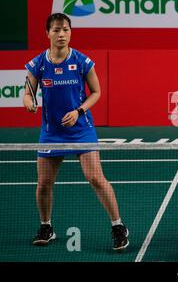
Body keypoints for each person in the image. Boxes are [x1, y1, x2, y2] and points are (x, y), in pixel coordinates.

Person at [23, 13, 129, 251]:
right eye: (56, 30)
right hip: (51, 132)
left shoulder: (82, 61)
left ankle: (118, 226)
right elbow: (28, 90)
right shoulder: (38, 63)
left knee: (95, 178)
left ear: (70, 32)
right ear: (47, 33)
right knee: (44, 183)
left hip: (81, 129)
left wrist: (78, 111)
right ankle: (46, 226)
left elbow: (96, 92)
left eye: (66, 30)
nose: (61, 34)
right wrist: (28, 101)